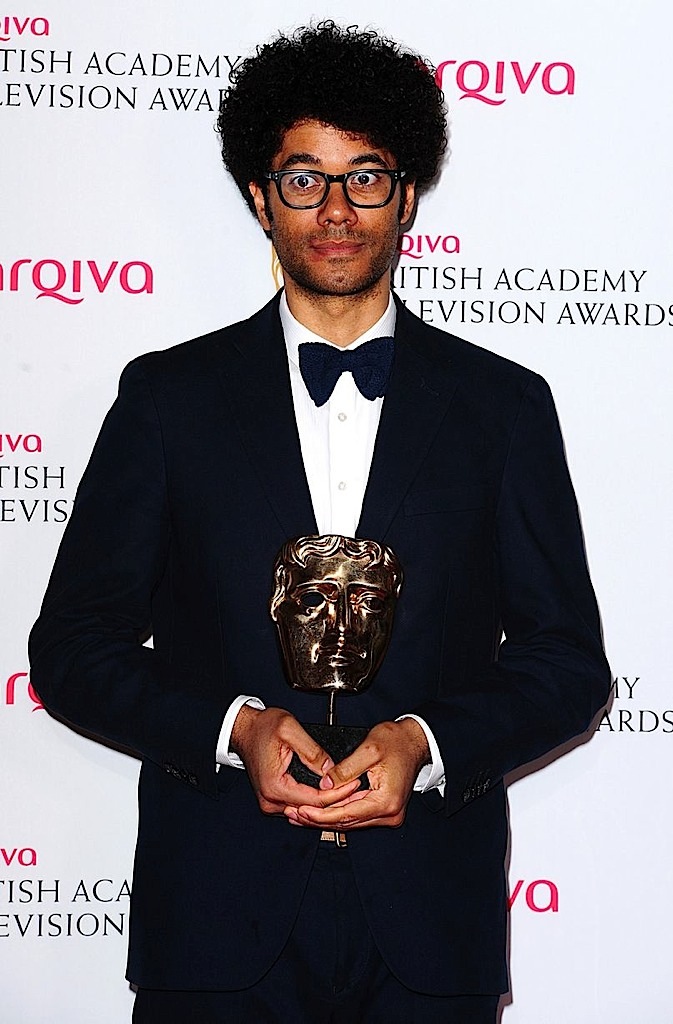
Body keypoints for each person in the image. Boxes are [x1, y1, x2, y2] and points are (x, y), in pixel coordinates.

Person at [29, 21, 610, 1024]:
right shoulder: (167, 400)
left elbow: (566, 663)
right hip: (214, 920)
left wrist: (426, 742)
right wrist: (234, 729)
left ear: (408, 194)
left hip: (431, 922)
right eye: (304, 179)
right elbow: (74, 647)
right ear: (261, 198)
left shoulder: (503, 408)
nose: (336, 210)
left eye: (365, 177)